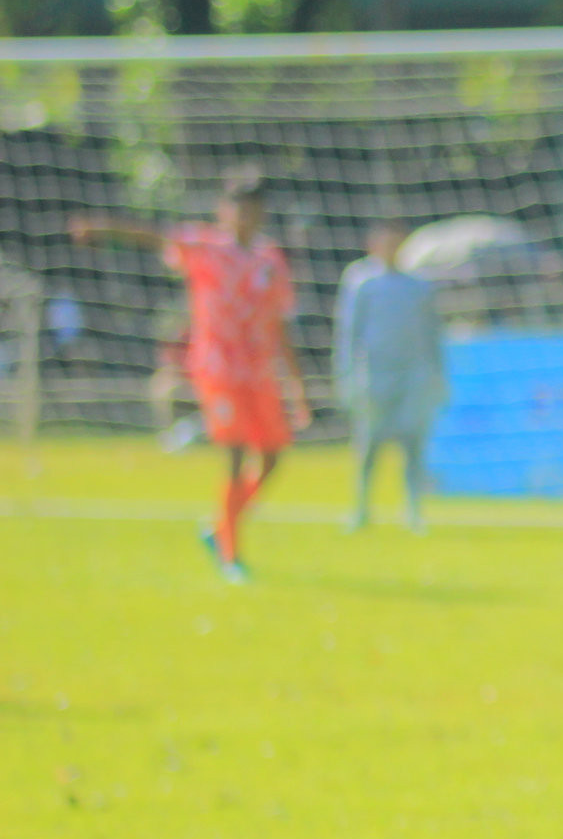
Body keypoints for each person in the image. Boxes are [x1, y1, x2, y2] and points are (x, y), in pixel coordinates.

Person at [71, 168, 309, 581]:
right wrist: (102, 227)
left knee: (272, 458)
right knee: (235, 455)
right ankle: (231, 555)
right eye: (236, 207)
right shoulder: (205, 245)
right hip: (218, 370)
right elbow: (153, 235)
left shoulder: (271, 259)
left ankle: (220, 526)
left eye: (252, 209)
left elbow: (279, 323)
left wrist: (296, 386)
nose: (244, 216)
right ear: (223, 210)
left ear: (261, 213)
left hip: (259, 373)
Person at [336, 221, 447, 533]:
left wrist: (437, 375)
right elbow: (348, 333)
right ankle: (360, 509)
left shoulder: (419, 285)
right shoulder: (361, 281)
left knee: (413, 443)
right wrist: (346, 375)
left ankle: (413, 511)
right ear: (374, 242)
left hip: (413, 375)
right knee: (369, 443)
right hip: (373, 374)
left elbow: (431, 333)